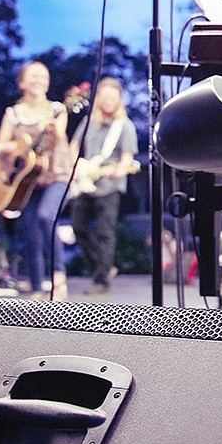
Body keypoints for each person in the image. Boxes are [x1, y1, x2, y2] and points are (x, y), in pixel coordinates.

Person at [0, 61, 71, 299]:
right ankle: (37, 288)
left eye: (43, 76)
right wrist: (16, 148)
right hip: (26, 180)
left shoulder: (57, 108)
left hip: (56, 174)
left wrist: (52, 127)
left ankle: (58, 276)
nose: (39, 80)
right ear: (22, 83)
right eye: (33, 76)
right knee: (30, 232)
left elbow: (60, 140)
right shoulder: (13, 113)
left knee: (47, 216)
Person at [69, 77, 139, 294]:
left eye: (113, 97)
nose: (108, 101)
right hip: (84, 182)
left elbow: (127, 160)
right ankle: (105, 266)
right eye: (104, 97)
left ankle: (101, 281)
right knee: (78, 228)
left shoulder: (124, 126)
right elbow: (74, 145)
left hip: (109, 186)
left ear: (119, 100)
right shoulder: (89, 121)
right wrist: (75, 170)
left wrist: (118, 170)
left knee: (105, 233)